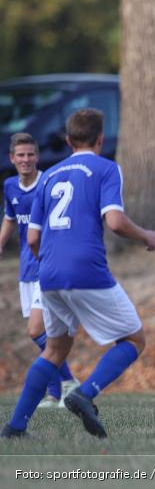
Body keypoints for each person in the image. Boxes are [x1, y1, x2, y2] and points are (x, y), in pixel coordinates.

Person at [1, 109, 155, 439]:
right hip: (87, 270)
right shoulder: (106, 168)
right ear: (100, 139)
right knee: (133, 339)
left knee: (54, 350)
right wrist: (146, 235)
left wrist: (49, 263)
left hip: (48, 274)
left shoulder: (49, 176)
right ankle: (83, 394)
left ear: (68, 141)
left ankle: (15, 427)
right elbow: (115, 221)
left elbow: (33, 237)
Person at [0, 133, 79, 408]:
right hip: (26, 269)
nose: (26, 159)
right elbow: (10, 217)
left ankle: (69, 382)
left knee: (36, 330)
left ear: (38, 156)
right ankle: (54, 393)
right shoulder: (10, 186)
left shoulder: (49, 184)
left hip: (47, 266)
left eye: (30, 154)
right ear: (12, 158)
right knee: (43, 334)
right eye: (20, 155)